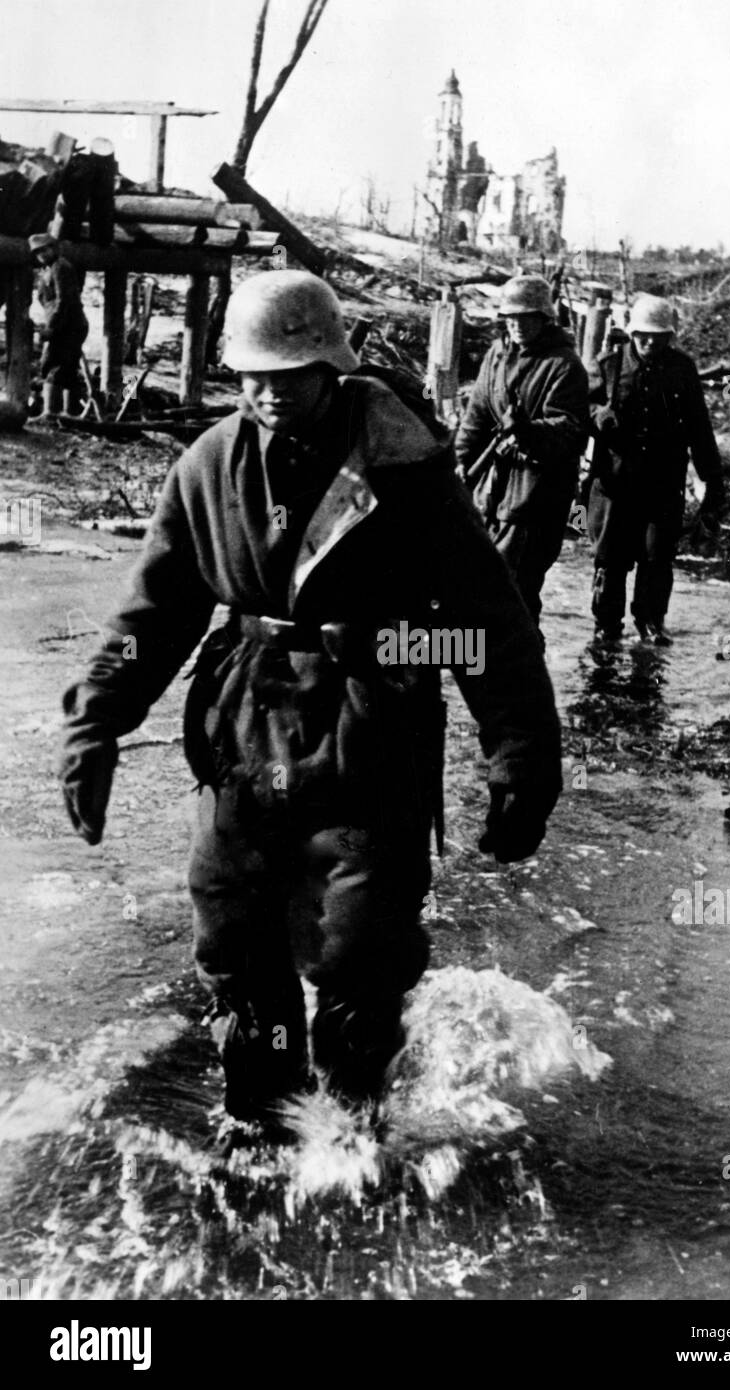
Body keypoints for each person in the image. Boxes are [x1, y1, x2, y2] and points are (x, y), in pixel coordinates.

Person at [58, 270, 563, 1139]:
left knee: (361, 956)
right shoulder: (208, 465)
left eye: (286, 375)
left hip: (372, 728)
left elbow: (485, 624)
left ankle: (355, 1137)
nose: (266, 394)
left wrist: (520, 750)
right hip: (246, 727)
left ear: (330, 367)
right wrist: (97, 721)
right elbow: (156, 611)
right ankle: (261, 1126)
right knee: (233, 936)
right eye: (251, 376)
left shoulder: (406, 470)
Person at [454, 274, 589, 638]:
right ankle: (506, 663)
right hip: (493, 486)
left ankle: (523, 667)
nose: (515, 325)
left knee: (516, 585)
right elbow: (477, 416)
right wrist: (460, 463)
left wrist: (527, 430)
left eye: (525, 317)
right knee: (488, 580)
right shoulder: (496, 357)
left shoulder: (564, 366)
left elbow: (570, 433)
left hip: (538, 492)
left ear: (544, 319)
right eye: (509, 317)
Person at [585, 293, 725, 645]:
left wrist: (712, 478)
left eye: (658, 336)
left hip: (663, 482)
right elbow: (578, 408)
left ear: (669, 337)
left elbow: (699, 426)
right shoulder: (608, 366)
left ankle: (650, 622)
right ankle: (606, 626)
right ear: (631, 333)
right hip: (615, 481)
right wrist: (597, 416)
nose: (649, 342)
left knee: (657, 556)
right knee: (611, 558)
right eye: (643, 335)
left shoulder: (682, 369)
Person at [28, 232, 88, 418]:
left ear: (53, 248)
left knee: (54, 366)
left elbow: (64, 301)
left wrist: (52, 327)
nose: (41, 255)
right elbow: (49, 302)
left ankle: (51, 413)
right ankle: (68, 413)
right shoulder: (47, 270)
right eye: (37, 253)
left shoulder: (61, 267)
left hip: (69, 325)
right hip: (64, 325)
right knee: (65, 368)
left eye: (44, 250)